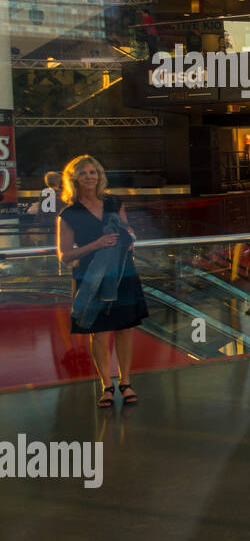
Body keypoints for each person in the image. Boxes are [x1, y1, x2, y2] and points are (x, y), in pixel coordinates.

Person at [56, 155, 150, 408]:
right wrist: (96, 245)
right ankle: (106, 386)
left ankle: (126, 382)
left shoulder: (114, 203)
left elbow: (127, 232)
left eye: (93, 172)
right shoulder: (69, 213)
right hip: (90, 278)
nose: (89, 176)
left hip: (122, 273)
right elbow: (64, 256)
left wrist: (129, 237)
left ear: (99, 175)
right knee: (98, 333)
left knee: (125, 328)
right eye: (83, 173)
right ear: (74, 178)